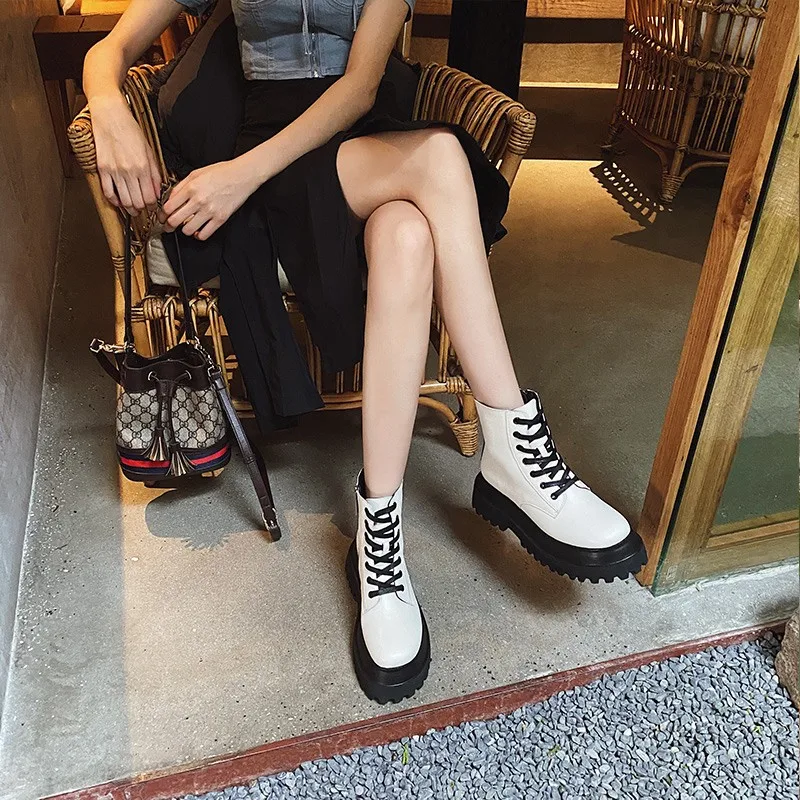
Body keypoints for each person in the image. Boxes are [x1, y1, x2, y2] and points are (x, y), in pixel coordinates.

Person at [83, 0, 647, 705]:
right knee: (439, 158)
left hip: (359, 133)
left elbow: (358, 88)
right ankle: (512, 446)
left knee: (406, 235)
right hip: (269, 151)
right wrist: (108, 103)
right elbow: (109, 49)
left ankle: (379, 536)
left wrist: (239, 175)